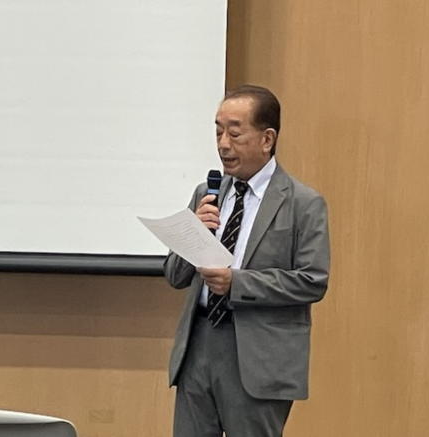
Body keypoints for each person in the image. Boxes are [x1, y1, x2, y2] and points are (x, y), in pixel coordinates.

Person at [164, 84, 331, 437]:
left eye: (235, 133)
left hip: (258, 355)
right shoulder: (207, 193)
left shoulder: (302, 203)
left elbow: (312, 281)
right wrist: (192, 232)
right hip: (199, 345)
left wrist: (236, 283)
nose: (223, 144)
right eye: (218, 132)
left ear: (267, 139)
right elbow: (175, 275)